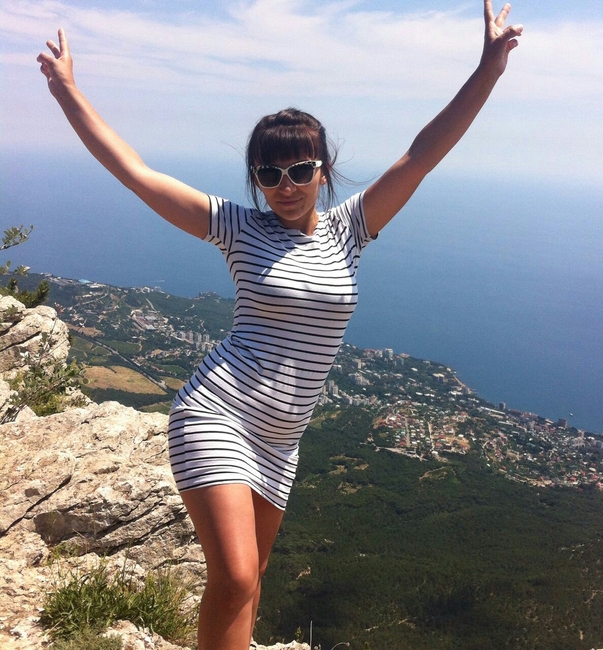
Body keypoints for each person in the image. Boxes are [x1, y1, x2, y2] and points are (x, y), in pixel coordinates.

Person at [38, 2, 522, 649]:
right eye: (269, 173)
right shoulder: (238, 228)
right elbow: (137, 173)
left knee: (253, 579)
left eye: (299, 170)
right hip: (219, 414)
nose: (285, 185)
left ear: (323, 169)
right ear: (256, 179)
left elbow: (421, 155)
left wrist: (488, 69)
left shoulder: (350, 230)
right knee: (236, 575)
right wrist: (68, 92)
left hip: (281, 442)